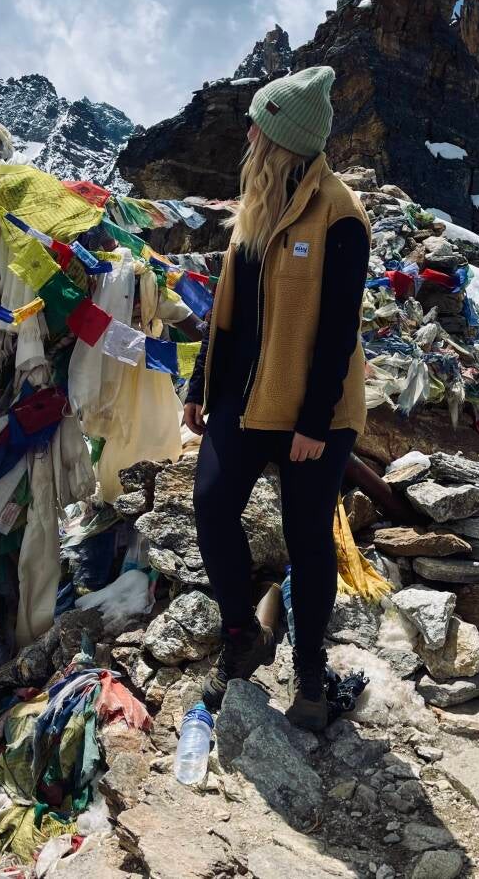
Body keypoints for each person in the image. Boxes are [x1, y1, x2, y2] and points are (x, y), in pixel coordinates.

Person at [184, 65, 370, 731]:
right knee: (211, 504)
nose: (249, 138)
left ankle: (312, 677)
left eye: (258, 128)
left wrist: (314, 420)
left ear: (284, 139)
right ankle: (243, 636)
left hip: (315, 408)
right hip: (245, 396)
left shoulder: (340, 215)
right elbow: (227, 310)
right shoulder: (256, 206)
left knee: (307, 536)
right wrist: (199, 385)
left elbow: (339, 327)